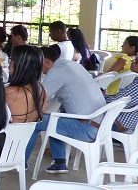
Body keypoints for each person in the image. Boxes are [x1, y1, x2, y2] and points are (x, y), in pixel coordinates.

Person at [25, 46, 105, 174]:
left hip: (87, 128)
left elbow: (38, 98)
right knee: (55, 118)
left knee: (34, 123)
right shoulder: (72, 65)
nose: (41, 72)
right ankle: (59, 162)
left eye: (39, 67)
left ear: (46, 62)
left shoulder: (57, 71)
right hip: (99, 125)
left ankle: (21, 163)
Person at [6, 45, 47, 123]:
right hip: (29, 134)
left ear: (20, 64)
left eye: (11, 59)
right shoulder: (42, 91)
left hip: (9, 134)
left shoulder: (10, 91)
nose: (9, 64)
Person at [105, 62, 138, 133]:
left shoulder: (136, 87)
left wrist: (103, 96)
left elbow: (114, 102)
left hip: (119, 126)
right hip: (124, 124)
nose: (132, 62)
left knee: (83, 115)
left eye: (136, 62)